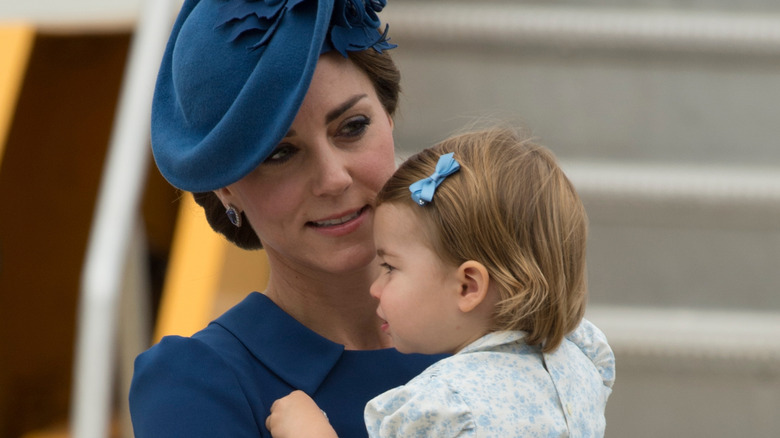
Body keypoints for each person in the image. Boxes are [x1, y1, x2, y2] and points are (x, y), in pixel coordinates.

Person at [129, 1, 444, 437]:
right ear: (227, 187)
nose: (333, 179)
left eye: (352, 127)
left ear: (388, 117)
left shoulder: (493, 319)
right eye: (280, 154)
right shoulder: (196, 385)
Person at [265, 126, 616, 437]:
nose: (375, 287)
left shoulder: (445, 408)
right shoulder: (581, 357)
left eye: (389, 266)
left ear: (468, 287)